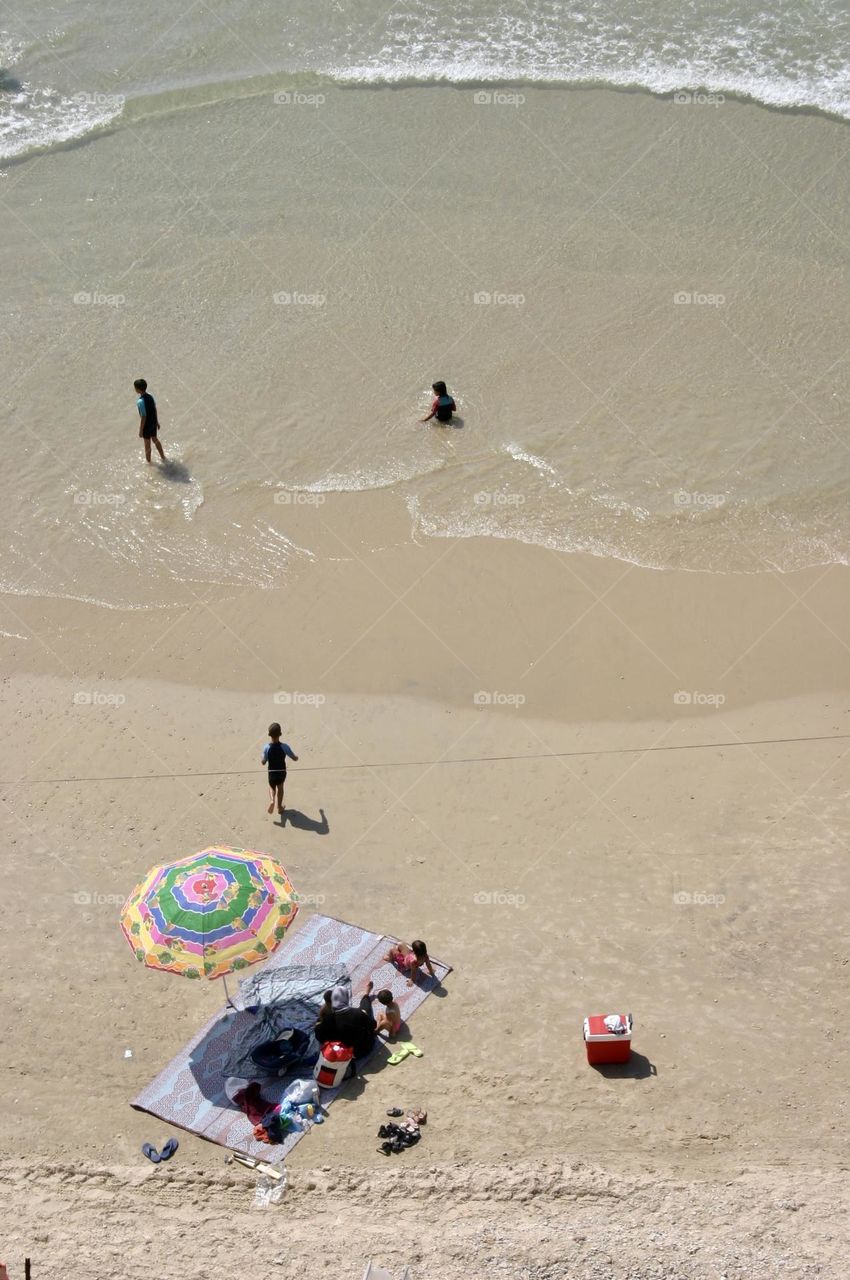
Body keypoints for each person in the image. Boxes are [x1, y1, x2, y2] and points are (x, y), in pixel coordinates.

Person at [315, 989, 377, 1059]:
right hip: (361, 1051)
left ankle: (366, 995)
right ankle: (366, 995)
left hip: (340, 1055)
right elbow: (373, 1025)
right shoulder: (356, 1013)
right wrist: (363, 1014)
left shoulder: (321, 1023)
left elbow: (320, 1038)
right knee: (365, 1010)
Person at [261, 722, 298, 816]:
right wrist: (296, 757)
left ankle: (272, 800)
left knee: (271, 787)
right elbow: (294, 758)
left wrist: (263, 758)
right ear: (280, 734)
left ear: (269, 735)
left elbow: (263, 762)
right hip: (281, 772)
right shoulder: (284, 747)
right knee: (280, 788)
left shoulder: (266, 748)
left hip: (272, 772)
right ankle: (280, 807)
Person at [133, 378, 166, 463]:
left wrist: (141, 430)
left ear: (138, 389)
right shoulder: (150, 397)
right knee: (155, 439)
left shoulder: (140, 401)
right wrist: (157, 422)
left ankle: (149, 462)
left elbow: (143, 417)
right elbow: (154, 409)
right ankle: (163, 457)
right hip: (153, 422)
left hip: (147, 426)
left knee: (147, 445)